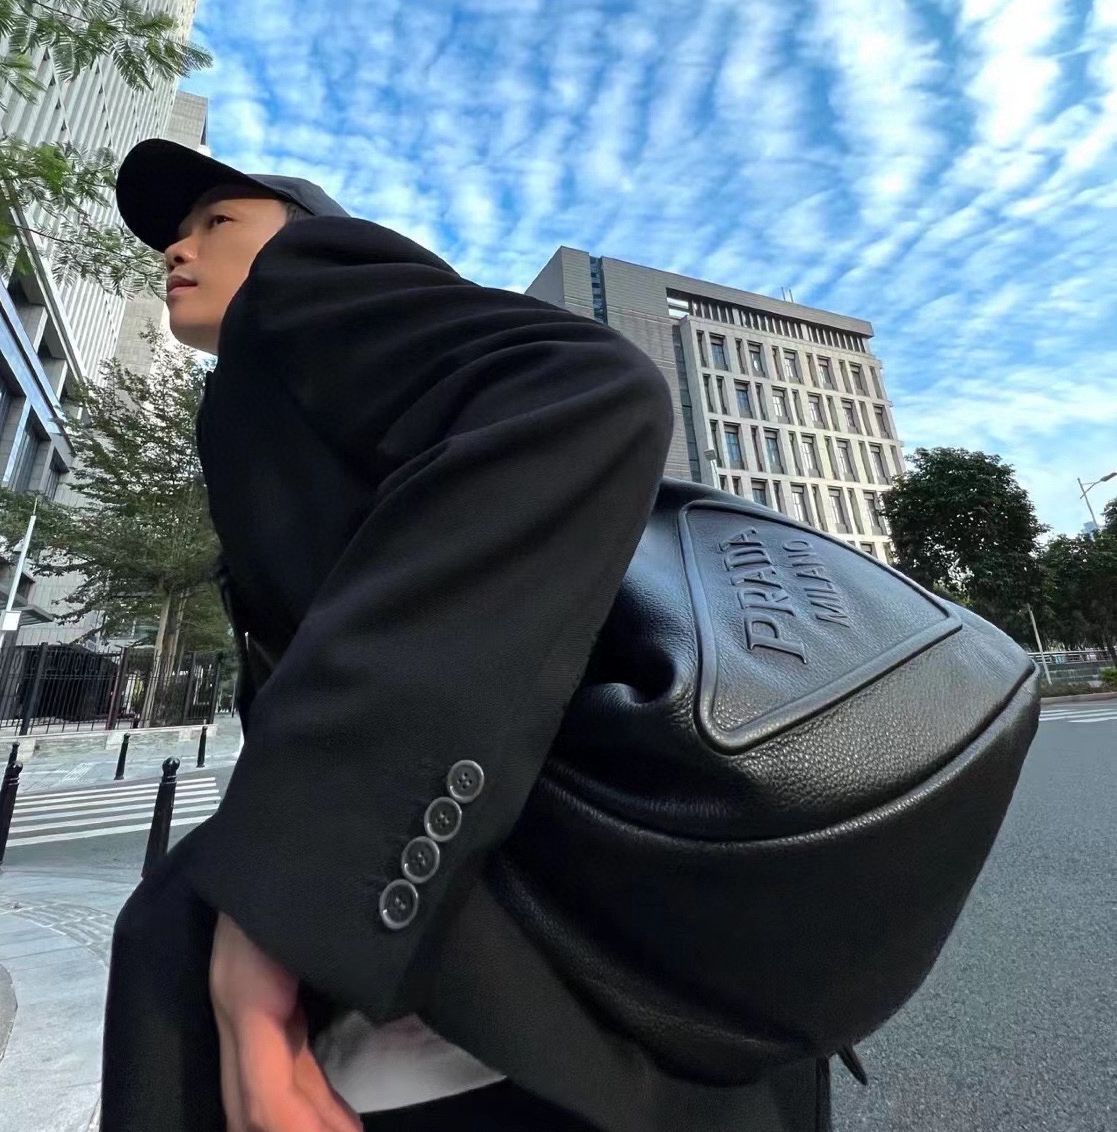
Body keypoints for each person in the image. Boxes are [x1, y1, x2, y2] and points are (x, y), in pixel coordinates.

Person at [102, 139, 826, 1132]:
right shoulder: (276, 386)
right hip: (579, 970)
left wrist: (281, 899)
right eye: (176, 234)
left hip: (522, 991)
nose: (178, 250)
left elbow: (592, 387)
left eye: (216, 221)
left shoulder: (305, 285)